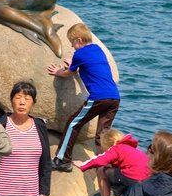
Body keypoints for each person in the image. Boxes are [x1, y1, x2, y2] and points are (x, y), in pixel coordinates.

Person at [47, 22, 119, 171]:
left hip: (99, 97)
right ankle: (106, 164)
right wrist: (75, 65)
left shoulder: (79, 54)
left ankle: (62, 160)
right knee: (102, 134)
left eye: (72, 43)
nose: (72, 46)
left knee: (73, 123)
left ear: (78, 40)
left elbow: (68, 73)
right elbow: (92, 69)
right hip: (114, 97)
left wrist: (59, 71)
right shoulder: (97, 49)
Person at [74, 129, 151, 196]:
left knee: (101, 170)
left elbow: (99, 160)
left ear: (110, 144)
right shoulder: (134, 150)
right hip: (146, 185)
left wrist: (83, 165)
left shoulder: (117, 148)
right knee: (114, 169)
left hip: (133, 181)